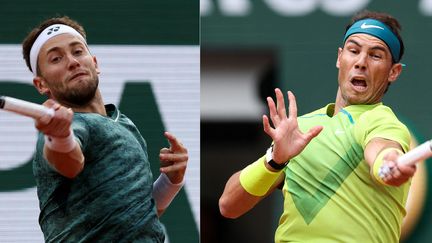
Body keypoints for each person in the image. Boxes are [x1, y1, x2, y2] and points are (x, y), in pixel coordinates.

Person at [219, 10, 416, 243]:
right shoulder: (300, 129)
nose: (361, 62)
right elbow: (228, 206)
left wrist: (389, 163)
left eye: (375, 56)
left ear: (393, 71)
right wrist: (274, 160)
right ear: (339, 57)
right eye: (353, 51)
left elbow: (383, 151)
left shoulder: (382, 122)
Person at [21, 16, 188, 242]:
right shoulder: (67, 129)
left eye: (78, 51)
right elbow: (68, 163)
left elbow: (139, 215)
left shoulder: (125, 123)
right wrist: (60, 137)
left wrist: (171, 182)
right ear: (41, 84)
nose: (72, 61)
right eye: (56, 58)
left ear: (95, 63)